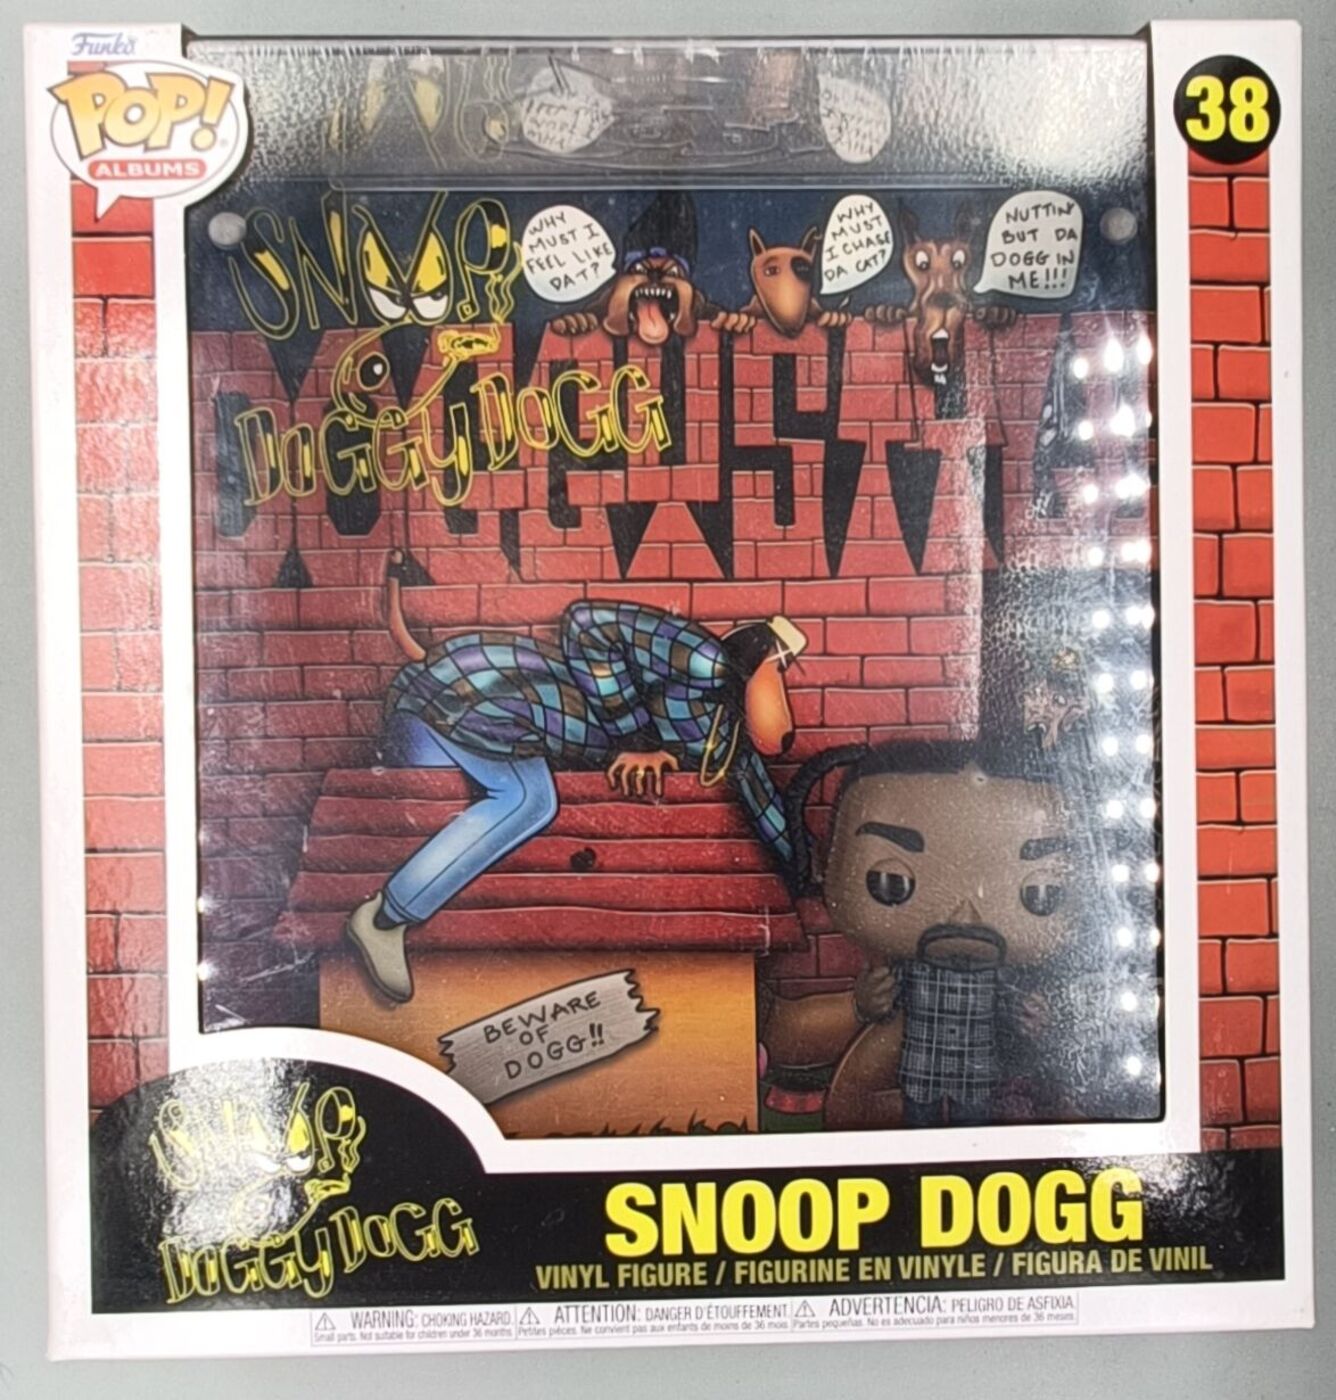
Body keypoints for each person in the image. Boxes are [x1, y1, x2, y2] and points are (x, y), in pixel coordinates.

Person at [345, 569, 807, 1002]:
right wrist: (635, 742)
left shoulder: (717, 731)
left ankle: (406, 927)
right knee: (528, 800)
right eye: (781, 667)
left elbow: (760, 793)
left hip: (482, 723)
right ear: (763, 658)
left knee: (485, 809)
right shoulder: (706, 661)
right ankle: (384, 920)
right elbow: (586, 623)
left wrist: (804, 873)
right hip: (469, 696)